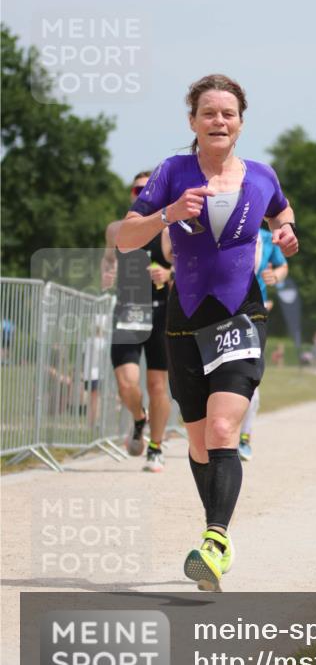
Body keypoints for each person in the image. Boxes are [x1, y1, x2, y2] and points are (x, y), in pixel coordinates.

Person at [116, 73, 297, 591]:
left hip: (242, 313)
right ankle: (215, 536)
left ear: (241, 122)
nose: (219, 121)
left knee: (222, 431)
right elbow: (127, 238)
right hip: (183, 319)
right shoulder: (172, 172)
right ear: (192, 120)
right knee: (197, 441)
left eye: (228, 113)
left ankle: (215, 539)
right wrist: (167, 215)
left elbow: (283, 215)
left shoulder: (262, 175)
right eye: (208, 113)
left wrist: (285, 232)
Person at [102, 171, 173, 474]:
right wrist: (107, 274)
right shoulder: (117, 229)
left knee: (157, 385)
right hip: (128, 311)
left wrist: (169, 275)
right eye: (137, 190)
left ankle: (155, 448)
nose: (142, 194)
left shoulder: (171, 231)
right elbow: (109, 261)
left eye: (148, 190)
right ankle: (138, 418)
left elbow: (187, 269)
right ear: (131, 194)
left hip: (161, 312)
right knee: (126, 383)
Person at [238, 226, 288, 462]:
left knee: (251, 378)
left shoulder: (267, 238)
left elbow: (283, 265)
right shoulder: (227, 229)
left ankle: (245, 437)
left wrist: (276, 276)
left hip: (255, 312)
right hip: (223, 310)